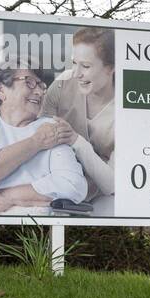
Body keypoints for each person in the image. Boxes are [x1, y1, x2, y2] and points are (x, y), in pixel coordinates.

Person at [0, 65, 87, 214]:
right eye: (29, 83)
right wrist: (37, 142)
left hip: (38, 228)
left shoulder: (51, 128)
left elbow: (74, 185)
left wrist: (4, 197)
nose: (40, 92)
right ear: (1, 90)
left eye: (41, 86)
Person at [42, 26, 116, 199]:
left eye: (86, 66)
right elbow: (35, 127)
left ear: (110, 68)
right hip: (54, 189)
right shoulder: (63, 84)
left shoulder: (125, 110)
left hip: (100, 201)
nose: (76, 73)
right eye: (74, 63)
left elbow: (112, 184)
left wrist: (75, 140)